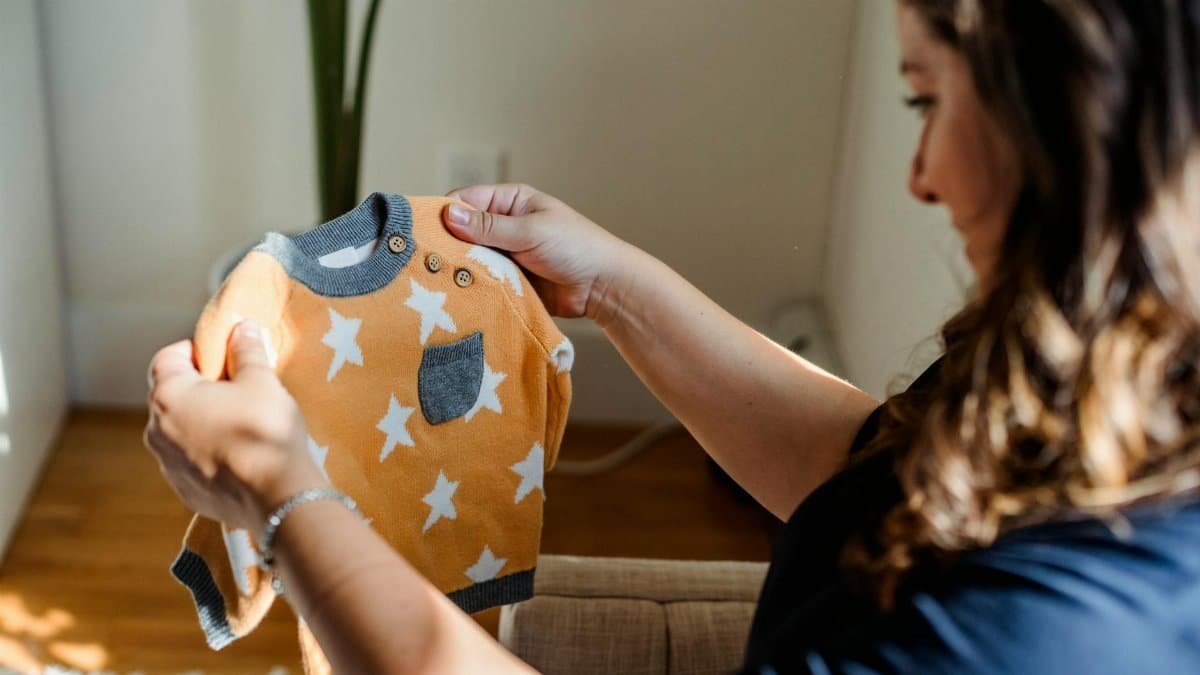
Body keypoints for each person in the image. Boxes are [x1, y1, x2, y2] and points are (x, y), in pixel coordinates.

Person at [144, 0, 1200, 672]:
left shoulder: (1034, 639)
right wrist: (609, 284)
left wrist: (281, 501)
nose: (917, 175)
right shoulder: (1111, 358)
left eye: (924, 98)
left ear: (1062, 112)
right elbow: (879, 470)